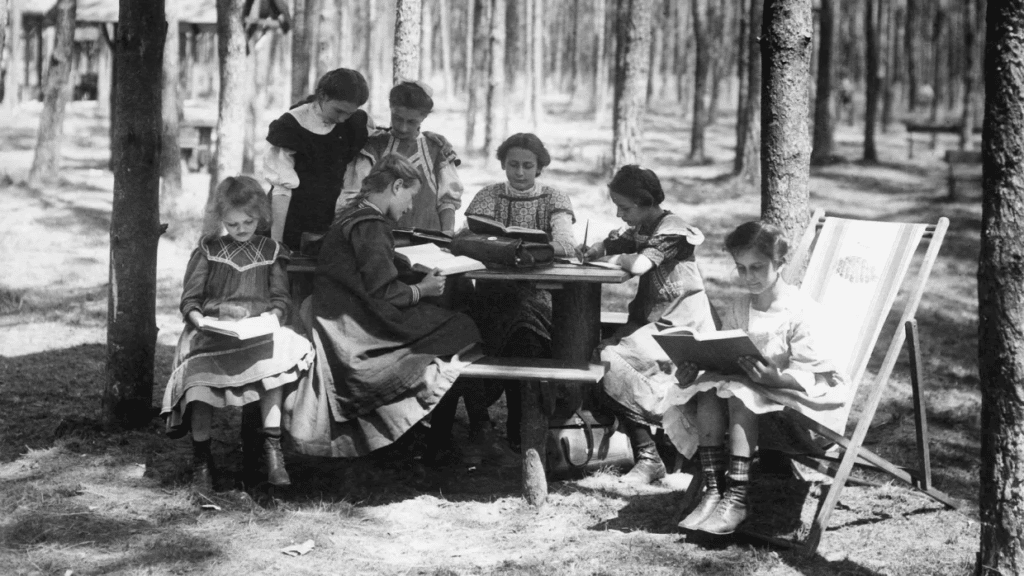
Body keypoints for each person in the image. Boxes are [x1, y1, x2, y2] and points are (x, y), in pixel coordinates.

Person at [286, 155, 481, 460]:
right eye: (410, 196)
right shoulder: (371, 225)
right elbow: (385, 292)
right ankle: (424, 432)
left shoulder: (352, 214)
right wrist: (422, 289)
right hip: (358, 327)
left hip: (339, 316)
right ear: (396, 186)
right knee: (462, 325)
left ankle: (421, 428)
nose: (410, 207)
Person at [660, 221, 850, 535]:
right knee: (710, 391)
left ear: (781, 264)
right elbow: (724, 357)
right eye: (742, 268)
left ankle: (736, 497)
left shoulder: (800, 312)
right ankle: (713, 490)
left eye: (758, 268)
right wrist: (695, 368)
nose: (749, 278)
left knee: (738, 393)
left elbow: (824, 379)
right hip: (753, 400)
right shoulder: (739, 308)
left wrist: (779, 379)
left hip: (800, 412)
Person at [161, 176, 315, 492]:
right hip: (213, 331)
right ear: (221, 221)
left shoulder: (271, 251)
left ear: (261, 217)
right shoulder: (209, 250)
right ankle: (202, 460)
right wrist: (199, 320)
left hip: (256, 331)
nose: (242, 230)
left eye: (248, 222)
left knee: (275, 368)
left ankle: (273, 451)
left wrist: (274, 316)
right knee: (199, 380)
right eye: (232, 224)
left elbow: (280, 297)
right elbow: (190, 300)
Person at [583, 165, 717, 484]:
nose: (619, 213)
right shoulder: (645, 225)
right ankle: (649, 453)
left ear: (645, 202)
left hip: (682, 328)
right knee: (600, 352)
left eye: (624, 207)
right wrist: (599, 248)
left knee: (606, 359)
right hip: (654, 324)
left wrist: (608, 260)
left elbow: (641, 263)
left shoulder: (672, 229)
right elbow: (622, 240)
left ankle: (650, 454)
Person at [460, 133, 577, 459]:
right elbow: (465, 238)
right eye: (513, 165)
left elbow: (567, 244)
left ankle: (522, 424)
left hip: (537, 292)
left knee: (526, 334)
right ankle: (479, 424)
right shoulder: (488, 196)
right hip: (491, 293)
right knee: (463, 330)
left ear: (540, 167)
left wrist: (526, 250)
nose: (520, 172)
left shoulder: (554, 198)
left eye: (528, 165)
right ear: (503, 164)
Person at [264, 67, 371, 251]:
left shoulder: (355, 123)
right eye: (338, 111)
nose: (343, 119)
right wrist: (276, 244)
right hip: (288, 218)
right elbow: (281, 191)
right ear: (322, 95)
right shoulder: (291, 127)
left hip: (329, 219)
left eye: (350, 113)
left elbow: (380, 137)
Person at [343, 80, 463, 234]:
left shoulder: (437, 149)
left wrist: (447, 233)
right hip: (379, 238)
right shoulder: (373, 146)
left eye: (412, 122)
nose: (403, 127)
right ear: (391, 108)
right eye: (397, 118)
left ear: (424, 118)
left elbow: (448, 200)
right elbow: (354, 194)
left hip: (427, 239)